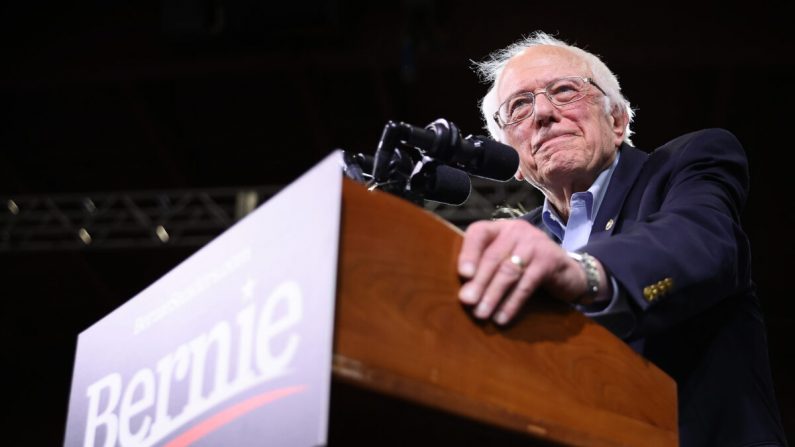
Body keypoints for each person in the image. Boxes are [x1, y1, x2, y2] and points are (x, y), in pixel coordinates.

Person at [457, 32, 788, 446]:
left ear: (617, 121)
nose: (542, 112)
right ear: (513, 160)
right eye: (519, 107)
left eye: (564, 91)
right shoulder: (514, 242)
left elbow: (702, 242)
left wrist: (584, 272)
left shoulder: (686, 165)